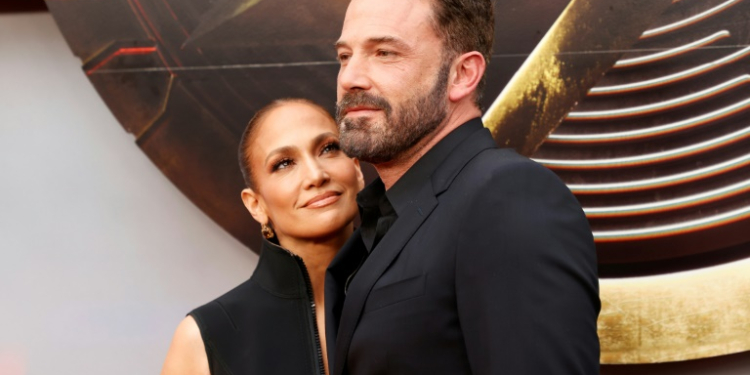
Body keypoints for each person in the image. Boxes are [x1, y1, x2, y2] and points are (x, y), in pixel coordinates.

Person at [325, 0, 601, 374]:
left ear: (462, 74)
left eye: (384, 52)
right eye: (345, 55)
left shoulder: (508, 197)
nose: (349, 78)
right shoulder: (382, 221)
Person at [161, 99, 364, 375]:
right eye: (283, 164)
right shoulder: (205, 338)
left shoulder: (424, 292)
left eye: (328, 148)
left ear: (357, 168)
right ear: (256, 205)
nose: (316, 175)